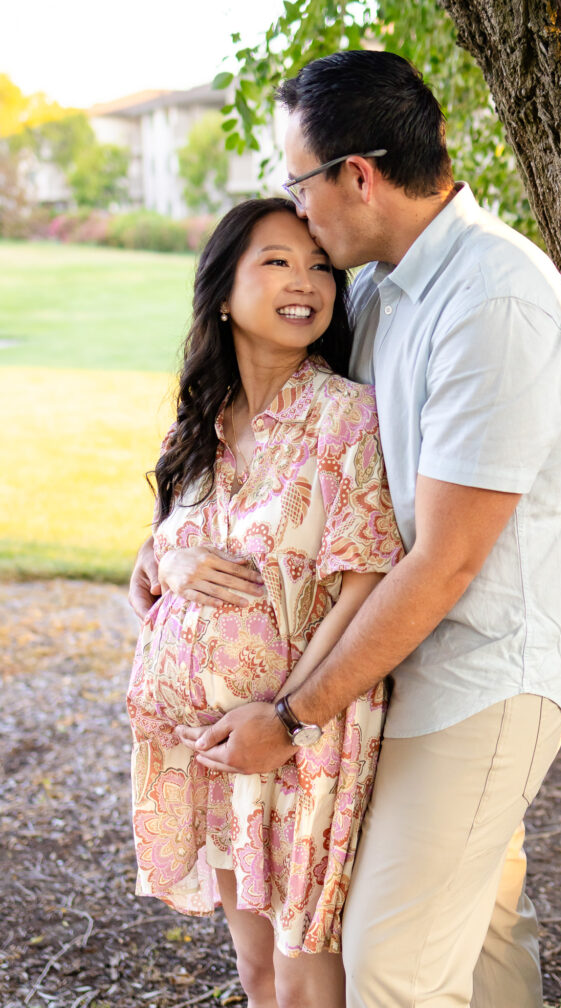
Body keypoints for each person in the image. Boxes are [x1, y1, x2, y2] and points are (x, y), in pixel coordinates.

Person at [130, 52, 561, 1007]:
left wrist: (292, 718)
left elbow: (446, 558)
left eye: (300, 183)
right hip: (392, 674)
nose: (297, 215)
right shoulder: (381, 285)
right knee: (480, 941)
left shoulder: (493, 304)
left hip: (477, 675)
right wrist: (169, 545)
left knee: (391, 963)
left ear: (357, 175)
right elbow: (275, 461)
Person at [126, 196, 403, 1008]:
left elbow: (367, 580)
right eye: (277, 261)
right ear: (223, 290)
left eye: (320, 265)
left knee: (302, 975)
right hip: (203, 750)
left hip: (298, 739)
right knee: (254, 976)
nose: (306, 280)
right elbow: (157, 559)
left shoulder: (345, 417)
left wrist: (288, 718)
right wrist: (167, 561)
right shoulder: (202, 424)